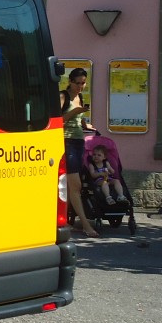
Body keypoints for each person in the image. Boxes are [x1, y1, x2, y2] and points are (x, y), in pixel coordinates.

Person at [61, 67, 98, 237]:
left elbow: (78, 118)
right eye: (78, 83)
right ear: (70, 81)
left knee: (69, 187)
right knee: (76, 185)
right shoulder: (64, 96)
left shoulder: (80, 97)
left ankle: (64, 221)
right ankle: (85, 225)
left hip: (78, 142)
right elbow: (57, 120)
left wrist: (85, 125)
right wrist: (75, 111)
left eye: (83, 83)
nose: (81, 87)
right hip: (66, 142)